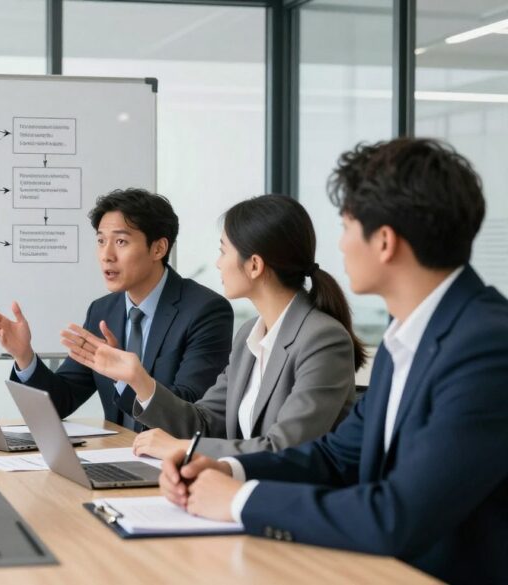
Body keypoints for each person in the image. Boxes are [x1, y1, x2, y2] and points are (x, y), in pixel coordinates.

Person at [159, 138, 507, 585]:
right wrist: (226, 469)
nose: (340, 246)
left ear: (384, 242)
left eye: (346, 226)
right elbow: (335, 456)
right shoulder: (409, 337)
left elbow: (396, 514)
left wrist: (240, 500)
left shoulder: (486, 347)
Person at [65, 194, 364, 458]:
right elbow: (203, 422)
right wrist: (137, 379)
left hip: (285, 509)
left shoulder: (323, 339)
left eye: (223, 251)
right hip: (234, 492)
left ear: (255, 265)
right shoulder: (251, 335)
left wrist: (186, 449)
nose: (218, 263)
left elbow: (285, 449)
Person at [0, 188, 233, 431]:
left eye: (121, 241)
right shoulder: (103, 311)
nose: (106, 255)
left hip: (172, 463)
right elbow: (62, 399)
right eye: (101, 241)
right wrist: (24, 356)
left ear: (158, 248)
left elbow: (191, 410)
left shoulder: (205, 311)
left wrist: (127, 378)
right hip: (115, 457)